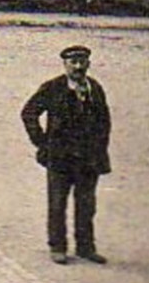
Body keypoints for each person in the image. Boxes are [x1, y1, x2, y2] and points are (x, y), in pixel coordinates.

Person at [21, 45, 112, 265]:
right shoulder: (53, 88)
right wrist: (43, 142)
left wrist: (100, 150)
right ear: (65, 65)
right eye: (73, 62)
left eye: (82, 62)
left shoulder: (95, 88)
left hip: (88, 159)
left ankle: (85, 247)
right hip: (60, 158)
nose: (78, 67)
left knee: (86, 205)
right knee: (57, 203)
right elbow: (29, 112)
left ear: (88, 64)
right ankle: (58, 247)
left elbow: (105, 122)